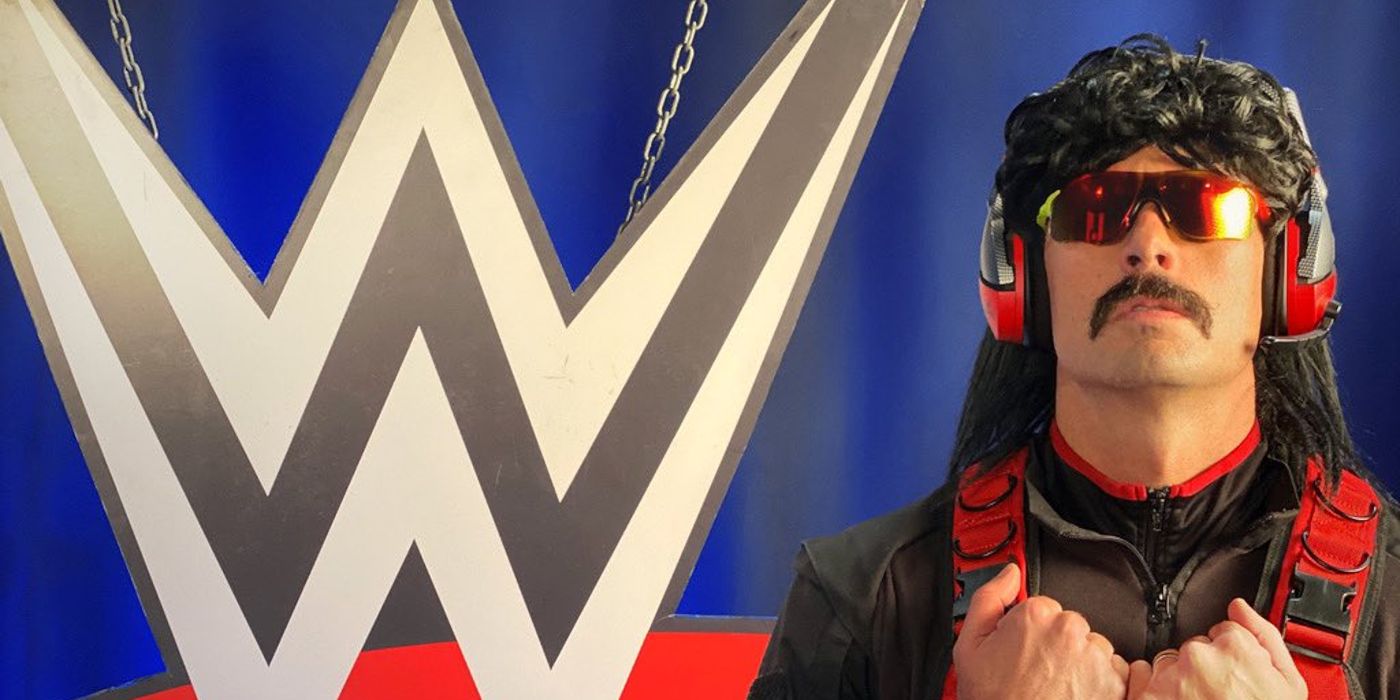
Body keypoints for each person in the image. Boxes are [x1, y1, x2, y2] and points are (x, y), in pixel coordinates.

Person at [747, 34, 1400, 700]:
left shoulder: (1395, 599)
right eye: (1094, 211)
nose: (1147, 246)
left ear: (1289, 271)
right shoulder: (866, 596)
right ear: (1023, 276)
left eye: (1207, 207)